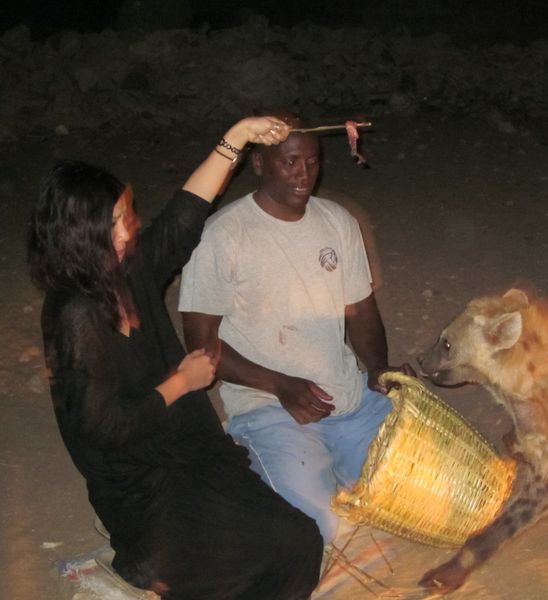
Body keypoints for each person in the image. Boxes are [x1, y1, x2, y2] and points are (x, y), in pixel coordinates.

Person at [27, 116, 323, 600]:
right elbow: (102, 429)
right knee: (245, 566)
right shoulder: (75, 314)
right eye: (117, 220)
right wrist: (180, 384)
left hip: (193, 453)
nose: (130, 227)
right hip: (142, 489)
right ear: (79, 234)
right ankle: (143, 565)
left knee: (298, 541)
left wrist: (238, 136)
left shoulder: (126, 273)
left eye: (127, 213)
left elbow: (184, 217)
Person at [178, 111, 414, 545]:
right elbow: (200, 344)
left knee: (419, 493)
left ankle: (318, 472)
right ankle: (254, 467)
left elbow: (360, 311)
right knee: (318, 531)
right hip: (269, 407)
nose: (303, 174)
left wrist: (378, 369)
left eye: (311, 161)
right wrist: (279, 384)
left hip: (347, 399)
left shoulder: (336, 222)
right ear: (260, 164)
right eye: (289, 162)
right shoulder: (224, 235)